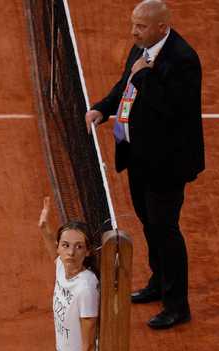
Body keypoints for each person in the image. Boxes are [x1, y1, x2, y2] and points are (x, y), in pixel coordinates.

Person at [85, 0, 204, 330]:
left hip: (167, 163)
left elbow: (171, 109)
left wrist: (142, 78)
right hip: (138, 156)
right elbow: (125, 85)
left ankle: (177, 305)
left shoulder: (184, 60)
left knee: (166, 229)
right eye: (133, 24)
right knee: (149, 223)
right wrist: (102, 108)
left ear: (162, 27)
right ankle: (158, 282)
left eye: (140, 26)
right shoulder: (143, 47)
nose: (133, 31)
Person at [4, 197, 100, 351]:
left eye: (79, 247)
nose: (71, 253)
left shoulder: (86, 288)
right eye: (65, 245)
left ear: (87, 252)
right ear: (58, 247)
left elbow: (88, 346)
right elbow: (51, 244)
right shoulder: (61, 266)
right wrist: (44, 226)